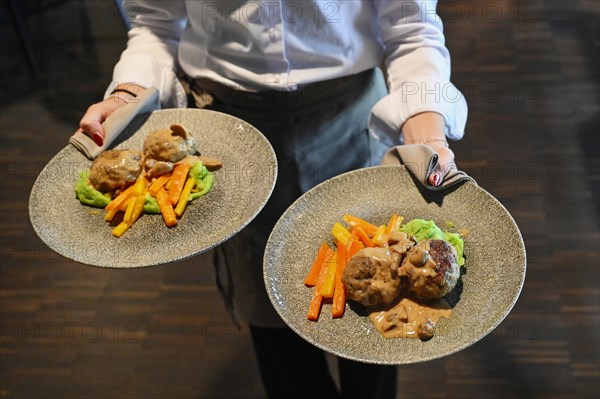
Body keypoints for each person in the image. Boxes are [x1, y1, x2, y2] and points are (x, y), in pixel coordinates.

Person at [75, 1, 467, 398]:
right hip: (233, 142)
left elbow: (411, 26)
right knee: (273, 329)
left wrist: (428, 133)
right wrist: (129, 92)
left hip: (352, 123)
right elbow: (157, 23)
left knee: (378, 326)